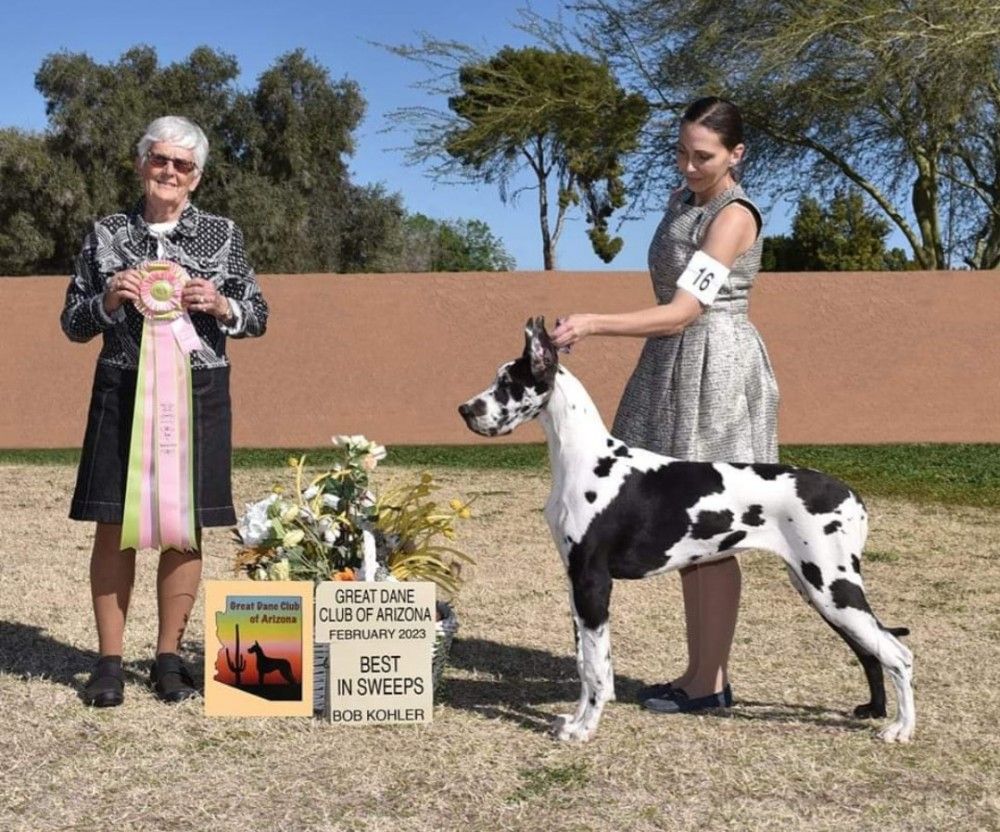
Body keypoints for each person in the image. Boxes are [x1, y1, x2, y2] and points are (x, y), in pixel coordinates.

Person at [551, 97, 779, 714]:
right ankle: (699, 674)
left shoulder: (734, 216)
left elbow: (683, 311)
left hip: (716, 369)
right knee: (686, 525)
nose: (688, 165)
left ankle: (710, 682)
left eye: (702, 156)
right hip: (671, 364)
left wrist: (592, 322)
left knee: (717, 528)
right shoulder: (685, 202)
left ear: (736, 154)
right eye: (681, 152)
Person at [61, 116, 269, 707]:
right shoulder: (105, 234)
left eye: (182, 164)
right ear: (141, 164)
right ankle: (108, 661)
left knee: (186, 526)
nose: (169, 171)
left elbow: (258, 314)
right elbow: (72, 322)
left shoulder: (224, 235)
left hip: (199, 392)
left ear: (196, 176)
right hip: (121, 388)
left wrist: (223, 305)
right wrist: (107, 300)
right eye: (160, 159)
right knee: (113, 524)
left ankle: (168, 658)